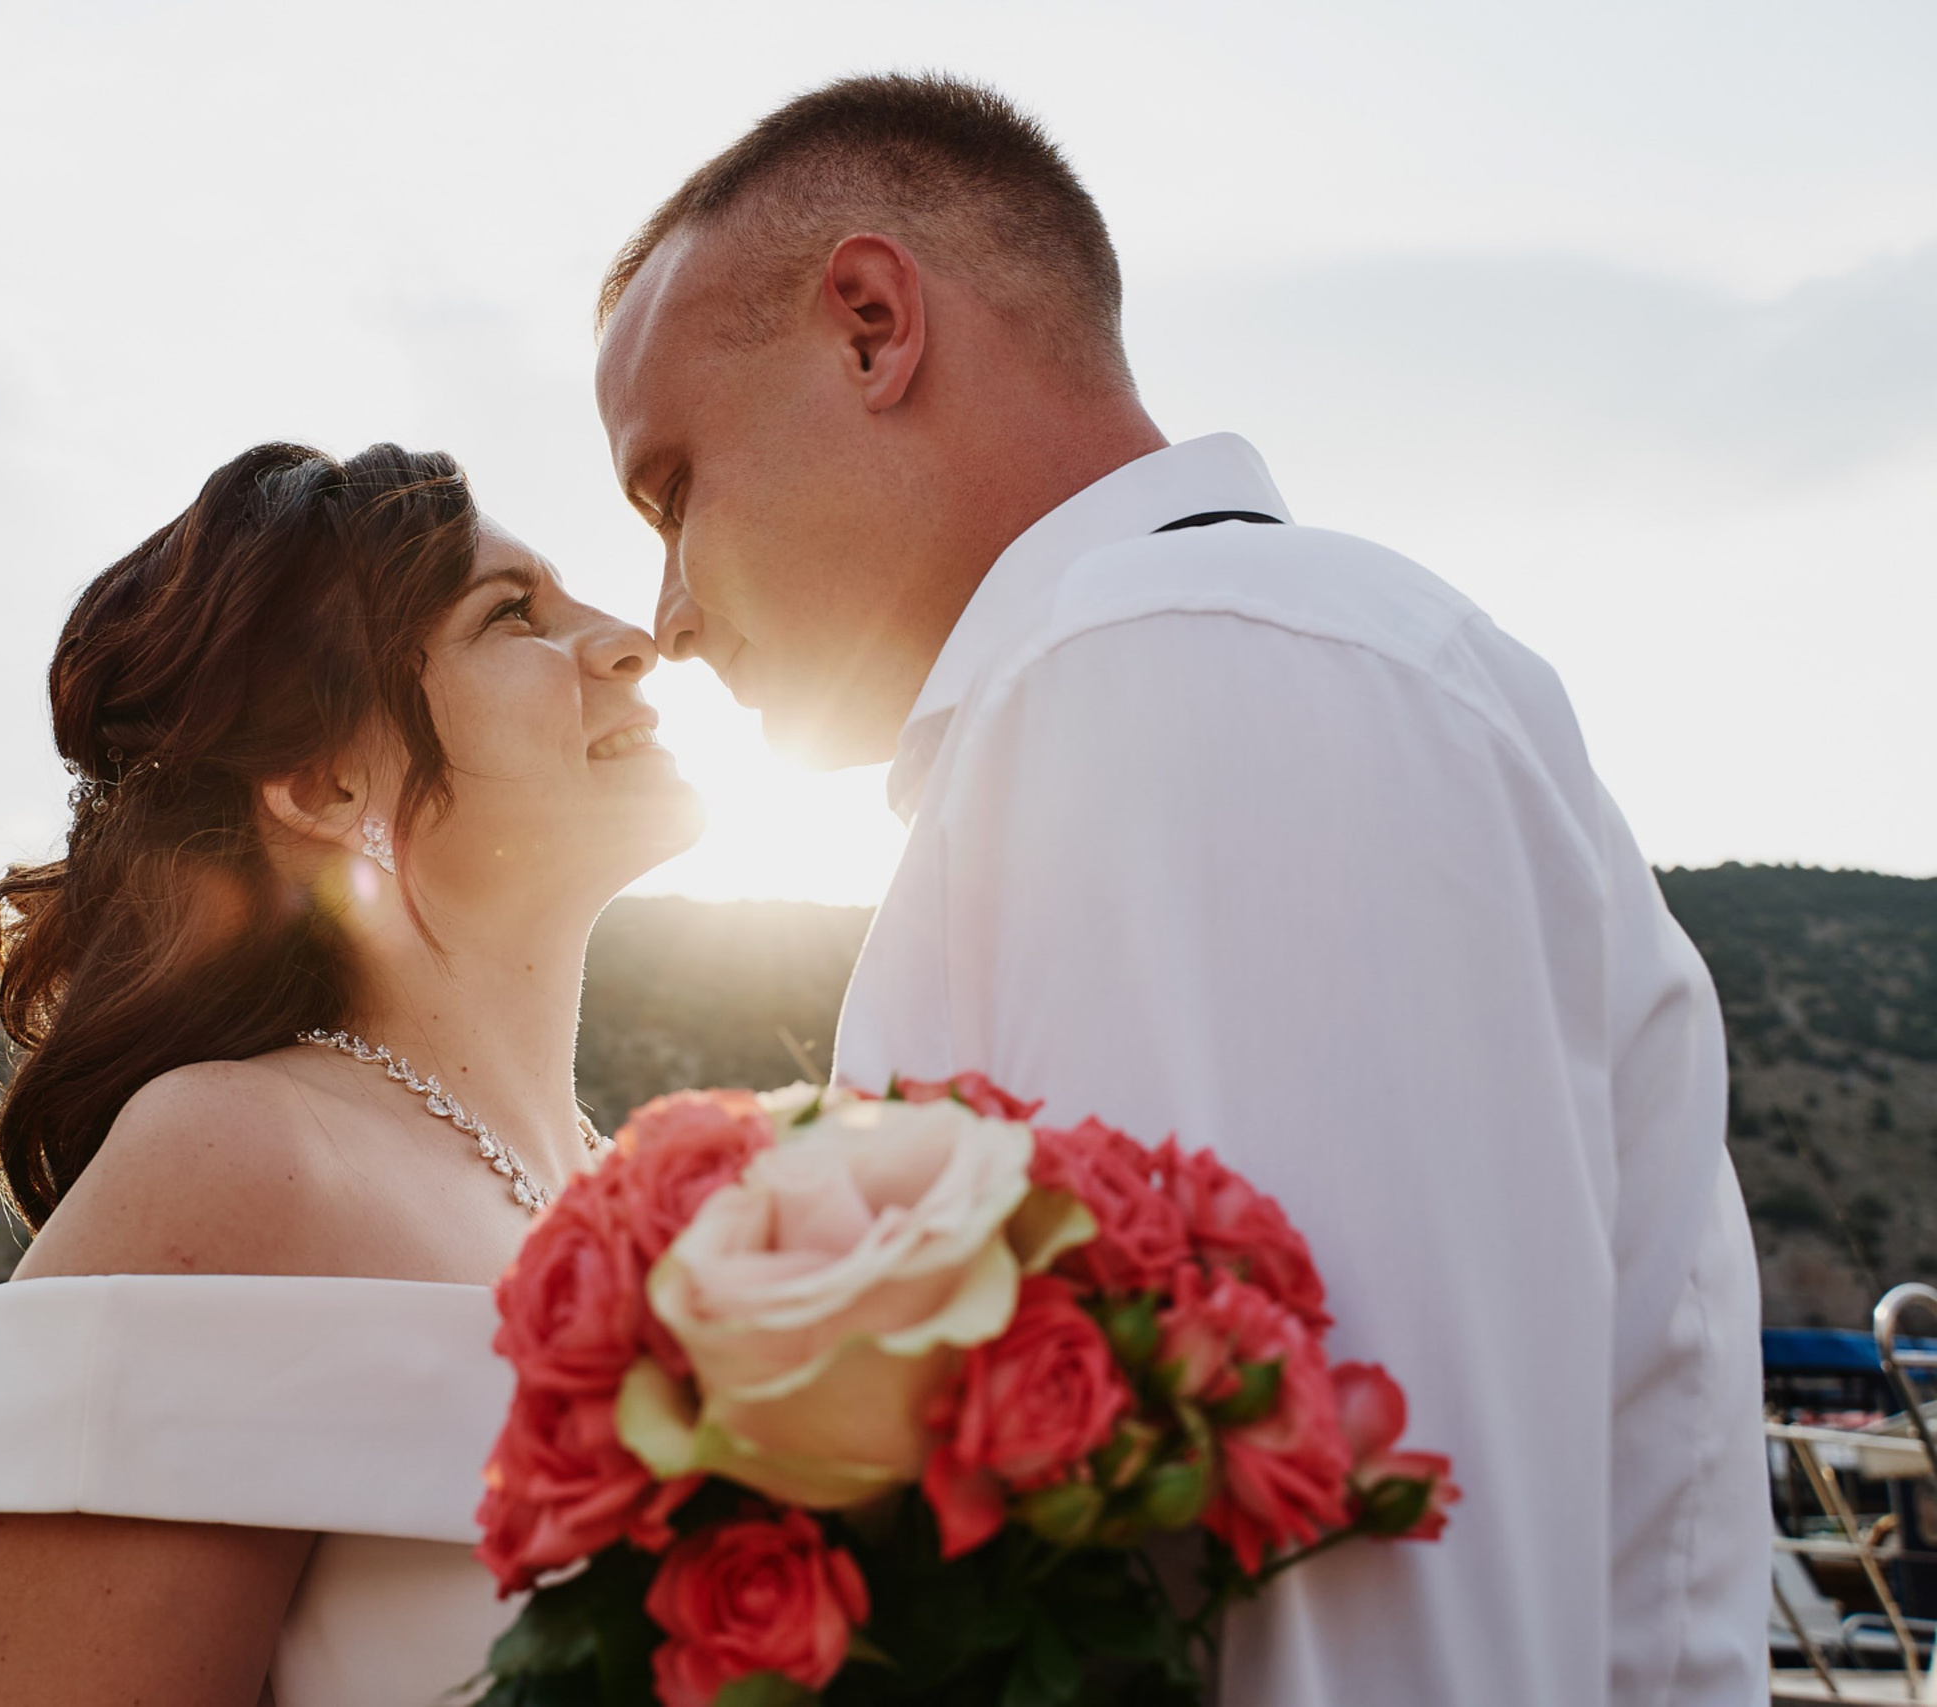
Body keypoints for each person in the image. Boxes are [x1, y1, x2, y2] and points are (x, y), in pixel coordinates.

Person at [594, 74, 1769, 1706]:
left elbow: (1352, 1609)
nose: (662, 614)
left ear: (871, 325)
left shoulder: (1186, 666)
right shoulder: (1151, 687)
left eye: (669, 489)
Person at [0, 442, 702, 1705]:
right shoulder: (230, 1157)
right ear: (327, 782)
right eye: (513, 615)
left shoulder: (651, 1197)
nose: (629, 640)